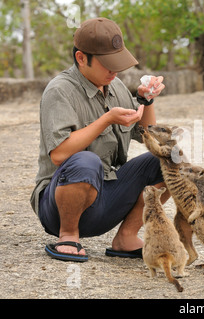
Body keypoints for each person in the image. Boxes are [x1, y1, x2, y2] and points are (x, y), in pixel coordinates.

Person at [30, 17, 169, 262]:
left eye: (117, 62)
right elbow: (60, 153)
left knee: (170, 160)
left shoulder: (115, 87)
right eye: (107, 64)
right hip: (59, 205)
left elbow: (148, 135)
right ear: (81, 58)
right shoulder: (59, 91)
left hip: (106, 196)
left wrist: (146, 101)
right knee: (86, 161)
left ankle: (126, 237)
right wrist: (106, 119)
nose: (114, 71)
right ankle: (68, 235)